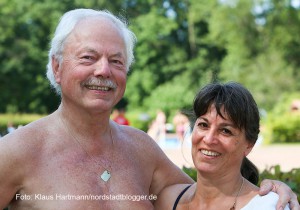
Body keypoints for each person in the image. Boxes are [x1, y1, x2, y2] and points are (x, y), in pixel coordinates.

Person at [0, 9, 298, 210]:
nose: (103, 70)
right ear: (57, 66)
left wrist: (268, 196)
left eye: (116, 61)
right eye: (88, 57)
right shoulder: (15, 152)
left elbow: (209, 195)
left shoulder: (141, 149)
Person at [154, 82, 297, 210]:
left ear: (249, 145)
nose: (209, 139)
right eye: (203, 125)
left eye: (225, 131)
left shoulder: (269, 206)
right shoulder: (167, 200)